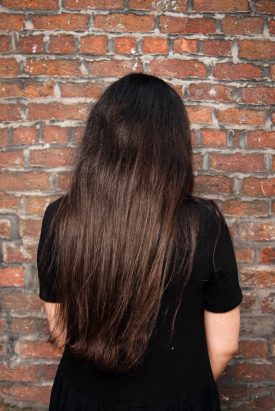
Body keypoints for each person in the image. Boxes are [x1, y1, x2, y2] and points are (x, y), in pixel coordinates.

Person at [37, 72, 243, 411]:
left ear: (98, 140)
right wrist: (179, 393)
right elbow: (225, 346)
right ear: (174, 143)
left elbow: (61, 329)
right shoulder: (204, 224)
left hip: (81, 398)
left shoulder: (61, 217)